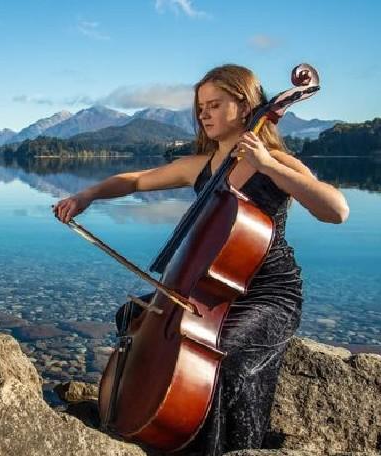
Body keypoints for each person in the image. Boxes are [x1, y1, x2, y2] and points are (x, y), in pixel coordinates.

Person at [53, 64, 349, 454]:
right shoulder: (203, 166)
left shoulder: (277, 161)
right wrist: (87, 194)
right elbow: (135, 180)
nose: (204, 114)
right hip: (209, 287)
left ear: (246, 106)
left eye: (214, 104)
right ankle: (153, 422)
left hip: (266, 293)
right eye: (200, 107)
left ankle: (234, 447)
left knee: (226, 360)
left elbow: (336, 210)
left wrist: (268, 165)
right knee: (132, 316)